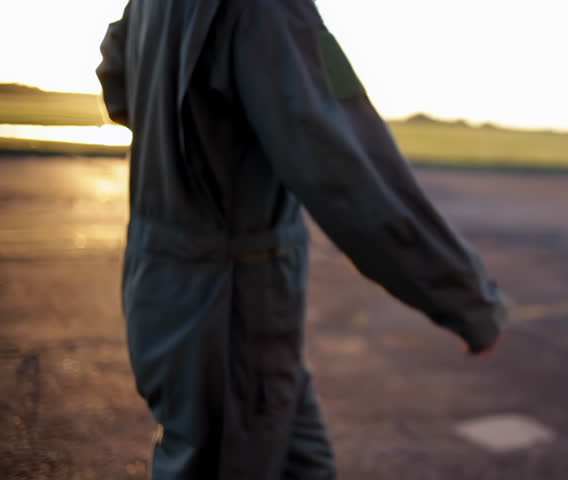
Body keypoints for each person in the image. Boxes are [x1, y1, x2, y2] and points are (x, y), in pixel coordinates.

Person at [97, 1, 508, 478]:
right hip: (230, 310)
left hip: (165, 288)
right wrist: (466, 298)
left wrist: (193, 139)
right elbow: (345, 168)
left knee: (302, 465)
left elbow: (117, 79)